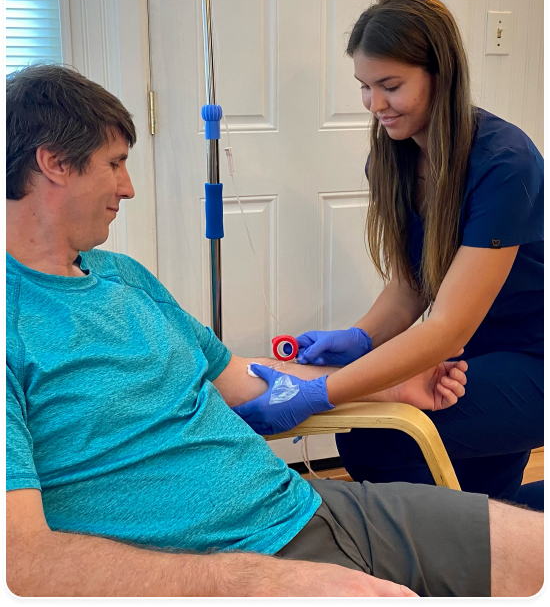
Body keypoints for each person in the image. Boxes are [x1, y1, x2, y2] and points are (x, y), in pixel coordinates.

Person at [5, 64, 543, 599]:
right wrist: (246, 577)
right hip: (207, 569)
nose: (129, 188)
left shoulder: (125, 278)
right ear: (53, 163)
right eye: (115, 164)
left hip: (299, 508)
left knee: (531, 550)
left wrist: (394, 386)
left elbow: (245, 379)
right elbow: (22, 564)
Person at [240, 0, 543, 506]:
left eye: (391, 86)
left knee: (379, 445)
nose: (374, 105)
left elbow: (449, 325)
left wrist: (321, 393)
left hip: (531, 355)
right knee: (481, 498)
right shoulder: (394, 159)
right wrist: (361, 337)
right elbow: (411, 285)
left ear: (439, 76)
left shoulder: (504, 163)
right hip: (473, 353)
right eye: (364, 87)